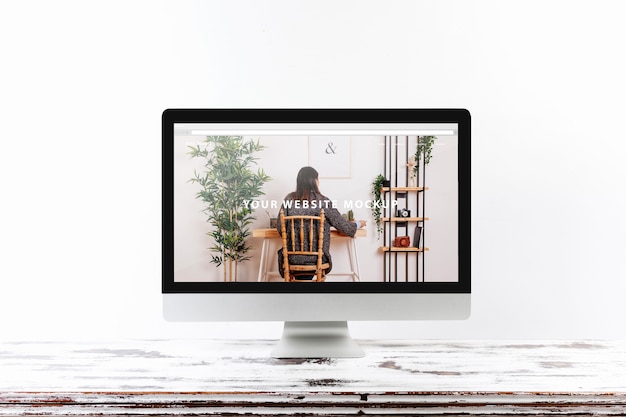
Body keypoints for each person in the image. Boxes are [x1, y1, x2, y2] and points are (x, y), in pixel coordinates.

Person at [276, 166, 367, 280]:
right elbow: (342, 225)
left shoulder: (289, 199)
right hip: (317, 259)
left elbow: (280, 227)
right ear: (314, 181)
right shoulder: (323, 201)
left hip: (291, 258)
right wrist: (358, 224)